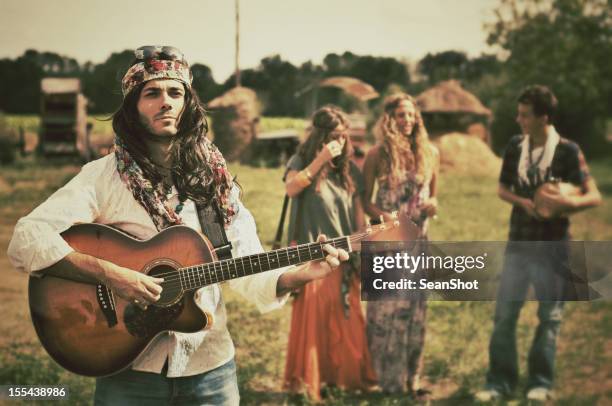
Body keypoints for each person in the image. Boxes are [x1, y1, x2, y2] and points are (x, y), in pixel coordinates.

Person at [7, 45, 349, 405]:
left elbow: (246, 264)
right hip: (129, 373)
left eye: (175, 92)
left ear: (188, 103)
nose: (166, 102)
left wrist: (297, 275)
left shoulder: (214, 181)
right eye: (151, 93)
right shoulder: (103, 177)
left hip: (210, 369)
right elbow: (27, 238)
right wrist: (111, 274)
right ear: (132, 105)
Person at [475, 85, 601, 402]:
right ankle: (498, 383)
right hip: (518, 245)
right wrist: (524, 202)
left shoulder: (568, 151)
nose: (519, 120)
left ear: (544, 117)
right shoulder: (516, 147)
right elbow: (502, 189)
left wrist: (562, 204)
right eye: (518, 114)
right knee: (505, 315)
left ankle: (540, 383)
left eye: (525, 115)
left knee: (550, 318)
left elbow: (594, 195)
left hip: (555, 248)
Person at [283, 106, 377, 401]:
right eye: (335, 137)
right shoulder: (302, 160)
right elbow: (291, 188)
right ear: (321, 137)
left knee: (347, 320)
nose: (342, 143)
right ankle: (312, 381)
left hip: (345, 258)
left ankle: (341, 379)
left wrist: (364, 251)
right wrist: (321, 159)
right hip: (313, 257)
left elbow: (360, 219)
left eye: (344, 137)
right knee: (315, 321)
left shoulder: (350, 171)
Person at [361, 93, 439, 398]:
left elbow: (433, 196)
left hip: (419, 240)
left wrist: (433, 205)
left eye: (411, 115)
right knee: (385, 313)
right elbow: (365, 201)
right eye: (401, 115)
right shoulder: (377, 154)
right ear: (389, 119)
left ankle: (412, 379)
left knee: (415, 311)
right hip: (388, 239)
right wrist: (391, 221)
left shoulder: (430, 152)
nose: (407, 121)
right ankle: (386, 381)